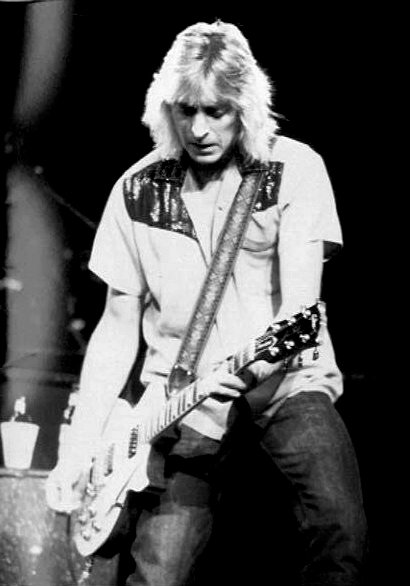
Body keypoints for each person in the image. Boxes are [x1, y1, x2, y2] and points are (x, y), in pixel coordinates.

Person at [46, 20, 368, 586]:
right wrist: (79, 446)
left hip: (285, 385)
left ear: (246, 107)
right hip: (177, 400)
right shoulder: (136, 189)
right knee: (157, 574)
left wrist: (250, 367)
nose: (198, 129)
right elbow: (116, 327)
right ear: (164, 108)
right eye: (185, 110)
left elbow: (300, 309)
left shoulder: (294, 169)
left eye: (216, 111)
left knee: (340, 530)